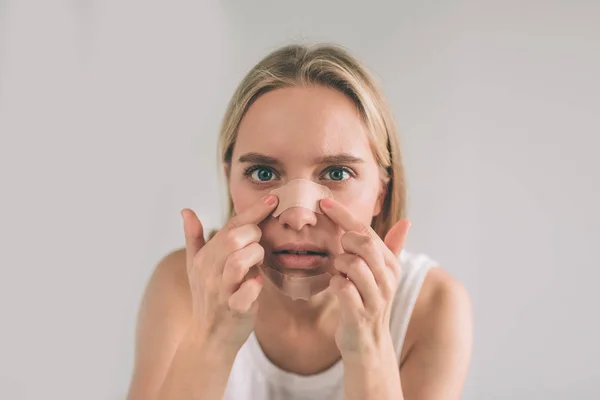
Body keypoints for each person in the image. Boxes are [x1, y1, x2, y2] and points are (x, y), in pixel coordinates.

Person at [126, 43, 473, 400]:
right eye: (263, 172)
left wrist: (368, 344)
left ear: (381, 192)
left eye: (337, 172)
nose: (297, 216)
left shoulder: (432, 306)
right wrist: (211, 336)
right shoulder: (182, 287)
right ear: (231, 182)